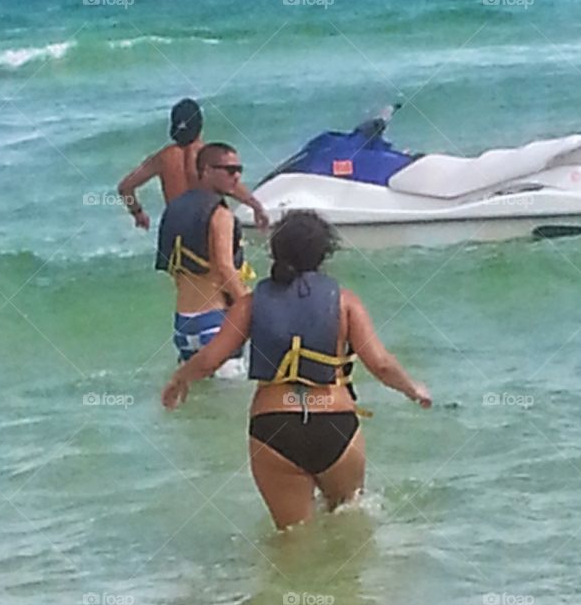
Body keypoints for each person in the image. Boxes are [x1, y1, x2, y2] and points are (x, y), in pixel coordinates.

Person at [161, 210, 431, 529]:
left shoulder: (249, 304)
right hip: (334, 423)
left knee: (291, 538)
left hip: (273, 428)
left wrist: (179, 379)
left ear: (275, 251)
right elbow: (381, 364)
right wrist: (413, 389)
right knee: (349, 525)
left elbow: (209, 360)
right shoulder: (345, 302)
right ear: (324, 254)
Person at [156, 142, 254, 370]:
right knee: (230, 404)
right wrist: (251, 309)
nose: (236, 177)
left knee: (195, 401)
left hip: (184, 324)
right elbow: (225, 268)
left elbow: (175, 270)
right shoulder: (220, 214)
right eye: (229, 170)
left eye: (239, 170)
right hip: (216, 323)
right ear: (207, 170)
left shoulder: (173, 211)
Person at [117, 98, 268, 232]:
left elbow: (125, 187)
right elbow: (231, 186)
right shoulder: (209, 155)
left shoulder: (162, 158)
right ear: (199, 125)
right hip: (207, 224)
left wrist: (138, 213)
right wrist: (256, 207)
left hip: (176, 227)